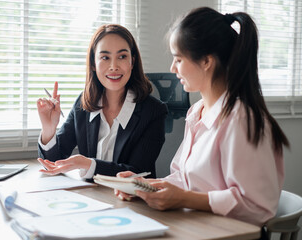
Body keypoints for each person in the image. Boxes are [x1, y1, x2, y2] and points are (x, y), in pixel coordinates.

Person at [115, 7, 289, 229]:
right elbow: (182, 179)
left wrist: (184, 199)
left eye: (178, 59)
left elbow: (257, 207)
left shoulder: (242, 119)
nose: (172, 68)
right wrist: (145, 186)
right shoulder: (196, 112)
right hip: (193, 227)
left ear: (206, 61)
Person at [36, 24, 167, 180]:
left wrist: (88, 164)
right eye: (105, 57)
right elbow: (52, 163)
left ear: (132, 61)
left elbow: (138, 171)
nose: (114, 66)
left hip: (132, 201)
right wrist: (49, 129)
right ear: (93, 63)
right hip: (92, 198)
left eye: (122, 56)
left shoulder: (153, 111)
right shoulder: (83, 103)